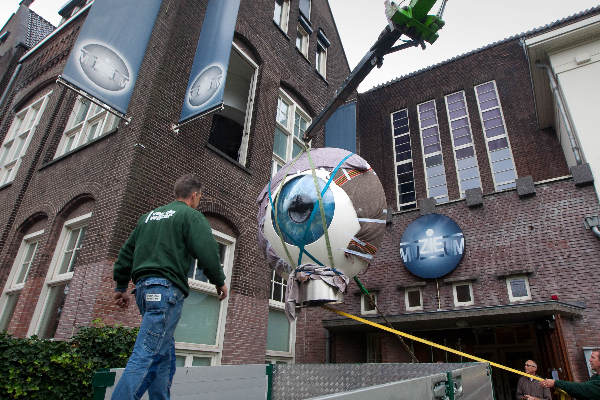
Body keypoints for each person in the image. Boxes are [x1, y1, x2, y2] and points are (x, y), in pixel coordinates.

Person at [111, 173, 228, 400]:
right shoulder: (190, 216)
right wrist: (219, 280)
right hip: (165, 292)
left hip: (143, 291)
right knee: (147, 353)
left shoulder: (147, 218)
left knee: (164, 357)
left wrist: (120, 286)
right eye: (200, 198)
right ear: (194, 196)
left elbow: (126, 253)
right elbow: (206, 250)